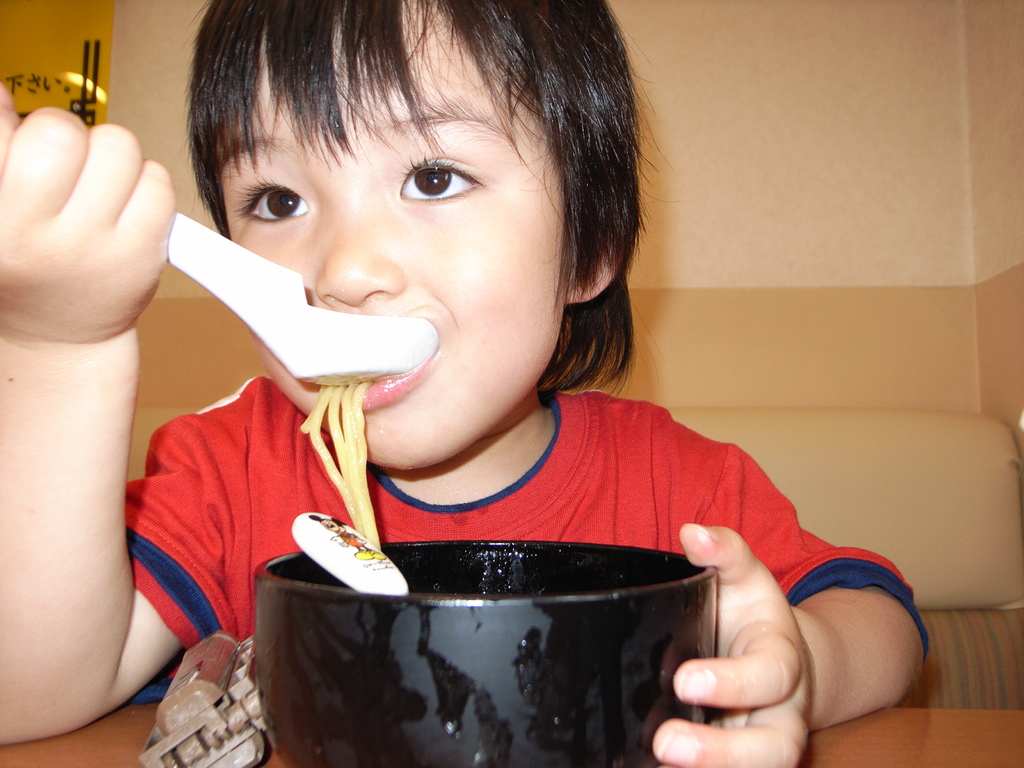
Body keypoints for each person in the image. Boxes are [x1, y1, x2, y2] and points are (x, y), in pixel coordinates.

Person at [0, 0, 924, 764]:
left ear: (588, 249)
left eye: (434, 176)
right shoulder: (221, 471)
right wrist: (59, 351)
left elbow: (883, 621)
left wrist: (801, 662)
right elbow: (26, 691)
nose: (347, 267)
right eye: (277, 201)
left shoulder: (678, 487)